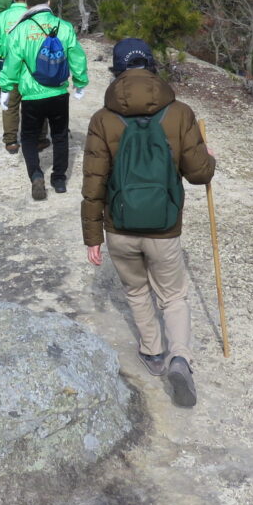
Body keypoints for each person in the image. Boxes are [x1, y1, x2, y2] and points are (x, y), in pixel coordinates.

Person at [81, 38, 215, 407]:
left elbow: (93, 184)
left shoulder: (102, 119)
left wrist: (92, 237)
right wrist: (208, 158)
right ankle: (180, 357)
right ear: (152, 67)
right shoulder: (180, 113)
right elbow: (199, 174)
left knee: (137, 291)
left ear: (117, 71)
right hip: (164, 226)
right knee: (172, 295)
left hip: (119, 227)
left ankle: (153, 352)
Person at [0, 0, 88, 200]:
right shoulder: (64, 26)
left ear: (27, 3)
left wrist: (6, 88)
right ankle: (59, 179)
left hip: (31, 95)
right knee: (60, 135)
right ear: (48, 1)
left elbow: (12, 64)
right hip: (58, 93)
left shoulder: (19, 30)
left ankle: (36, 175)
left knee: (28, 137)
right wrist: (80, 82)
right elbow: (77, 56)